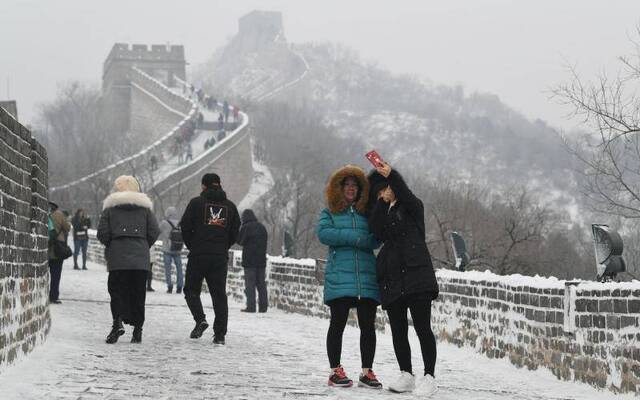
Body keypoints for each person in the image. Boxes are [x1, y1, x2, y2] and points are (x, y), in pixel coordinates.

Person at [367, 162, 439, 395]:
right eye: (379, 192)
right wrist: (380, 202)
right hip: (392, 276)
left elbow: (405, 194)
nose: (384, 193)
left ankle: (429, 375)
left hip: (417, 274)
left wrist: (392, 174)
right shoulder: (383, 212)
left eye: (386, 189)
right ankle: (406, 373)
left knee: (422, 327)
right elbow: (375, 229)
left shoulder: (413, 207)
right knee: (398, 330)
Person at [316, 165, 383, 389]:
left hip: (366, 276)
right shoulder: (330, 212)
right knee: (338, 324)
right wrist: (355, 238)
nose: (351, 189)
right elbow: (324, 234)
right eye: (347, 186)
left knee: (368, 326)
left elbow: (376, 239)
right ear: (339, 188)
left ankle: (367, 371)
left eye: (355, 186)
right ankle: (335, 370)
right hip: (339, 276)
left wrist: (364, 239)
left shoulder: (367, 213)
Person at [97, 175, 160, 344]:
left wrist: (113, 244)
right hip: (140, 259)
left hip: (118, 258)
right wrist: (142, 245)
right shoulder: (145, 210)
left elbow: (102, 232)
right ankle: (138, 330)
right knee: (139, 294)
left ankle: (117, 322)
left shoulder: (110, 209)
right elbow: (154, 231)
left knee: (116, 291)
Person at [180, 173, 240, 345]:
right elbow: (235, 231)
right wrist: (223, 246)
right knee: (219, 295)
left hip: (198, 254)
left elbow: (185, 226)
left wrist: (194, 245)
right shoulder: (230, 207)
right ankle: (220, 335)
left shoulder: (196, 203)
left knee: (191, 290)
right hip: (219, 257)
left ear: (204, 186)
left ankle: (200, 319)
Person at [237, 209, 268, 313]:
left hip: (249, 261)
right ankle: (263, 307)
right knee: (261, 284)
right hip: (261, 260)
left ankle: (251, 307)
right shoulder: (262, 227)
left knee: (250, 285)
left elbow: (240, 241)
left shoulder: (246, 228)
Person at [48, 201, 71, 304]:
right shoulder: (59, 214)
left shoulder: (43, 213)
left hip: (45, 247)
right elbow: (67, 228)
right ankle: (53, 296)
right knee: (56, 274)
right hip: (57, 247)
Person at [159, 206, 184, 294]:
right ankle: (180, 286)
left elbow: (158, 231)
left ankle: (170, 286)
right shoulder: (180, 223)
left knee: (168, 269)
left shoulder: (164, 223)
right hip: (178, 249)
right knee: (179, 268)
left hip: (167, 249)